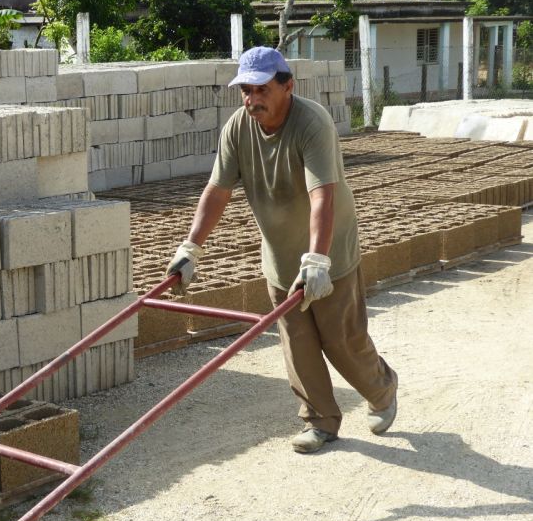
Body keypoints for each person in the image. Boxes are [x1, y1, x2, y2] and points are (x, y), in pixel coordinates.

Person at [166, 46, 398, 454]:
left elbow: (322, 195)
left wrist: (317, 260)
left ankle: (381, 389)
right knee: (298, 342)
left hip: (329, 253)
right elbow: (217, 191)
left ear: (288, 85)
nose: (252, 99)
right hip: (279, 255)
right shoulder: (238, 128)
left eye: (261, 89)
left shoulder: (312, 123)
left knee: (342, 339)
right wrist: (192, 249)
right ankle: (320, 421)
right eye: (245, 91)